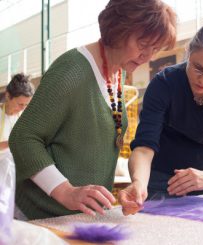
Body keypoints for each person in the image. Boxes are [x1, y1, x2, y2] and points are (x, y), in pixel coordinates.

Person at [9, 0, 176, 220]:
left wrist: (133, 185)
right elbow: (23, 138)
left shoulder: (118, 73)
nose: (149, 56)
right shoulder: (72, 70)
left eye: (155, 49)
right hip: (39, 217)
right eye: (143, 44)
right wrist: (65, 191)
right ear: (119, 29)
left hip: (77, 218)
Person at [119, 19, 203, 215]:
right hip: (159, 180)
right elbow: (144, 146)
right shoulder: (164, 83)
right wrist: (139, 182)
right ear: (188, 53)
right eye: (198, 68)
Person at [0, 73, 34, 157]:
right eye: (20, 104)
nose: (23, 108)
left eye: (26, 104)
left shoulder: (25, 117)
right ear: (8, 96)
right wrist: (11, 143)